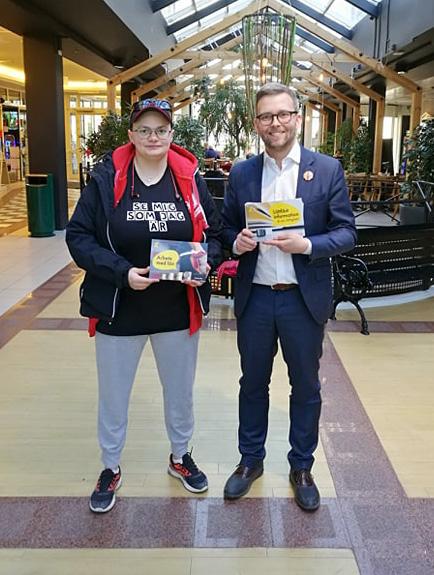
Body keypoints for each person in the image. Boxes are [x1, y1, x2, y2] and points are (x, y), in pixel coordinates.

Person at [66, 98, 222, 513]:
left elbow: (215, 233)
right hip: (120, 308)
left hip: (176, 309)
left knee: (180, 392)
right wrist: (122, 273)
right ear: (131, 135)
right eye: (145, 130)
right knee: (114, 395)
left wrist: (204, 264)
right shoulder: (107, 178)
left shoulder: (188, 178)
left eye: (161, 130)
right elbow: (78, 237)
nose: (154, 137)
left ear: (172, 134)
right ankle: (110, 466)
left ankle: (180, 456)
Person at [221, 83, 356, 511]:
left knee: (306, 386)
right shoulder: (242, 174)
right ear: (256, 123)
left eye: (282, 114)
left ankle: (301, 466)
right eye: (266, 116)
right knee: (252, 383)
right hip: (257, 298)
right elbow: (223, 229)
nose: (274, 123)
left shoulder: (326, 169)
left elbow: (347, 232)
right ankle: (250, 460)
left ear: (297, 118)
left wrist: (308, 245)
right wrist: (236, 242)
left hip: (302, 299)